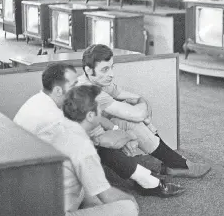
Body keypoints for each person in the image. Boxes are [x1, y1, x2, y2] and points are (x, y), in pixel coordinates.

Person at [14, 63, 184, 198]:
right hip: (39, 177)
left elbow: (91, 119)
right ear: (58, 90)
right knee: (102, 150)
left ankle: (145, 178)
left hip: (42, 159)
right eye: (73, 85)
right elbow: (102, 141)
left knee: (103, 142)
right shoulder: (54, 119)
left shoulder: (43, 99)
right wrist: (127, 137)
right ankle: (147, 181)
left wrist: (117, 130)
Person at [77, 44, 211, 178]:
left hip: (103, 129)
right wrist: (142, 107)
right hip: (89, 142)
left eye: (112, 67)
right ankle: (176, 163)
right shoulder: (89, 90)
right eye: (105, 69)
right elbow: (138, 114)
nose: (111, 74)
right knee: (133, 120)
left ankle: (174, 163)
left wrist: (141, 103)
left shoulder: (98, 81)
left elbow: (128, 96)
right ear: (89, 70)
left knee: (133, 116)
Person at [43, 84, 139, 216]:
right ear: (89, 116)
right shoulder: (83, 147)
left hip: (46, 203)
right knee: (128, 207)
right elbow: (107, 195)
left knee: (92, 195)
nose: (102, 113)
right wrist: (131, 200)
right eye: (99, 110)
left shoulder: (60, 129)